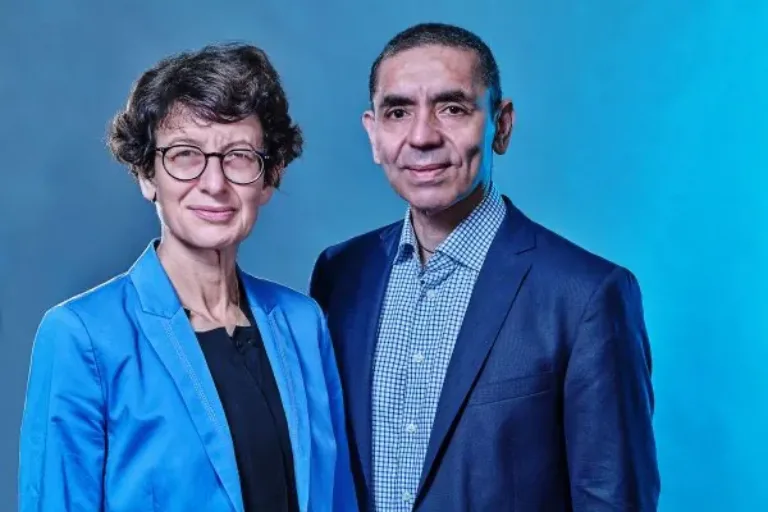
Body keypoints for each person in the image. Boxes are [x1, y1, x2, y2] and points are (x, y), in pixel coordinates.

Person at [309, 23, 660, 511]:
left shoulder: (587, 295)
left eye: (452, 108)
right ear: (373, 133)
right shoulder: (340, 274)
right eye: (398, 111)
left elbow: (613, 499)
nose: (422, 136)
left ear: (502, 124)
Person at [19, 43, 356, 512]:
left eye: (239, 156)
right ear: (147, 175)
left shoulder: (302, 323)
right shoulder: (83, 335)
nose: (214, 184)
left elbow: (337, 498)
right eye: (185, 155)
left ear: (269, 177)